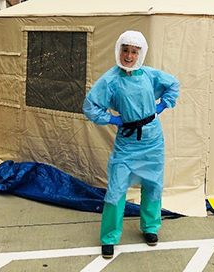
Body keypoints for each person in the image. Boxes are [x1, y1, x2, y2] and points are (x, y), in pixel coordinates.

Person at [82, 30, 180, 259]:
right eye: (125, 50)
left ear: (140, 54)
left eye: (134, 51)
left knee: (153, 185)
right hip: (127, 143)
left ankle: (150, 228)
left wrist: (163, 105)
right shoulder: (111, 79)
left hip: (153, 140)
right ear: (119, 51)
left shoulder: (149, 75)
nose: (129, 56)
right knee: (116, 189)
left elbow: (173, 84)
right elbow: (90, 106)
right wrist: (114, 119)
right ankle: (109, 237)